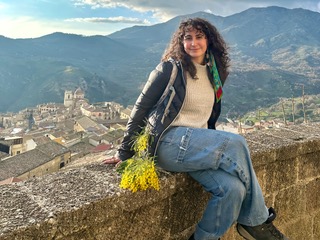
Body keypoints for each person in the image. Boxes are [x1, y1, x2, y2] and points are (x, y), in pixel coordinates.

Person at [104, 17, 289, 240]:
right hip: (168, 143)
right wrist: (124, 152)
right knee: (236, 142)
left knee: (232, 190)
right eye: (188, 38)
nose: (193, 43)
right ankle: (257, 222)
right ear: (181, 42)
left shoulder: (216, 74)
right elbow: (140, 108)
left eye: (199, 37)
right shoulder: (169, 69)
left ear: (209, 40)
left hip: (195, 147)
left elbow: (207, 117)